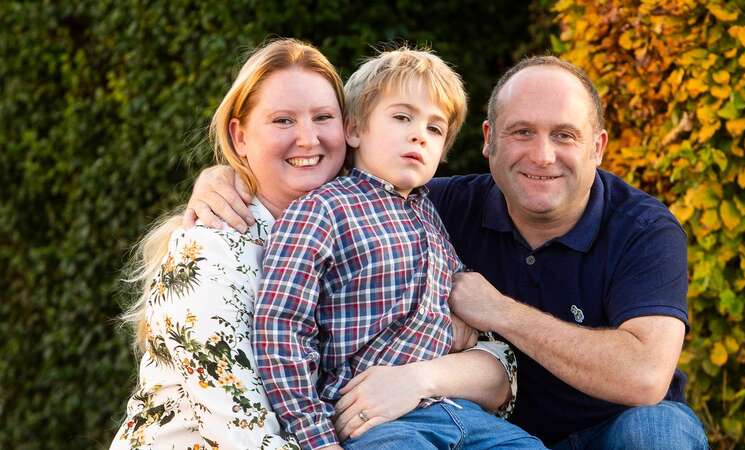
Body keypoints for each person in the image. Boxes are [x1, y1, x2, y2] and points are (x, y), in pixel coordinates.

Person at [186, 54, 709, 449]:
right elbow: (325, 173)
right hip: (423, 422)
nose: (542, 155)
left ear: (597, 147)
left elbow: (644, 377)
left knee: (659, 428)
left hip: (594, 428)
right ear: (488, 141)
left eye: (565, 135)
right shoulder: (433, 205)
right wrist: (231, 174)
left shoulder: (642, 227)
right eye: (521, 132)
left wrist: (495, 312)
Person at [252, 48, 542, 450]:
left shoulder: (430, 213)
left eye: (436, 128)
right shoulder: (321, 211)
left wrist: (461, 321)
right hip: (377, 423)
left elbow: (459, 303)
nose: (419, 134)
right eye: (402, 117)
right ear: (354, 129)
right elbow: (281, 328)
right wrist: (316, 438)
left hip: (459, 412)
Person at [110, 38, 346, 450]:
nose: (309, 139)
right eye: (283, 121)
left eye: (323, 117)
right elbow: (241, 433)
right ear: (239, 137)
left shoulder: (367, 237)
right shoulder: (208, 254)